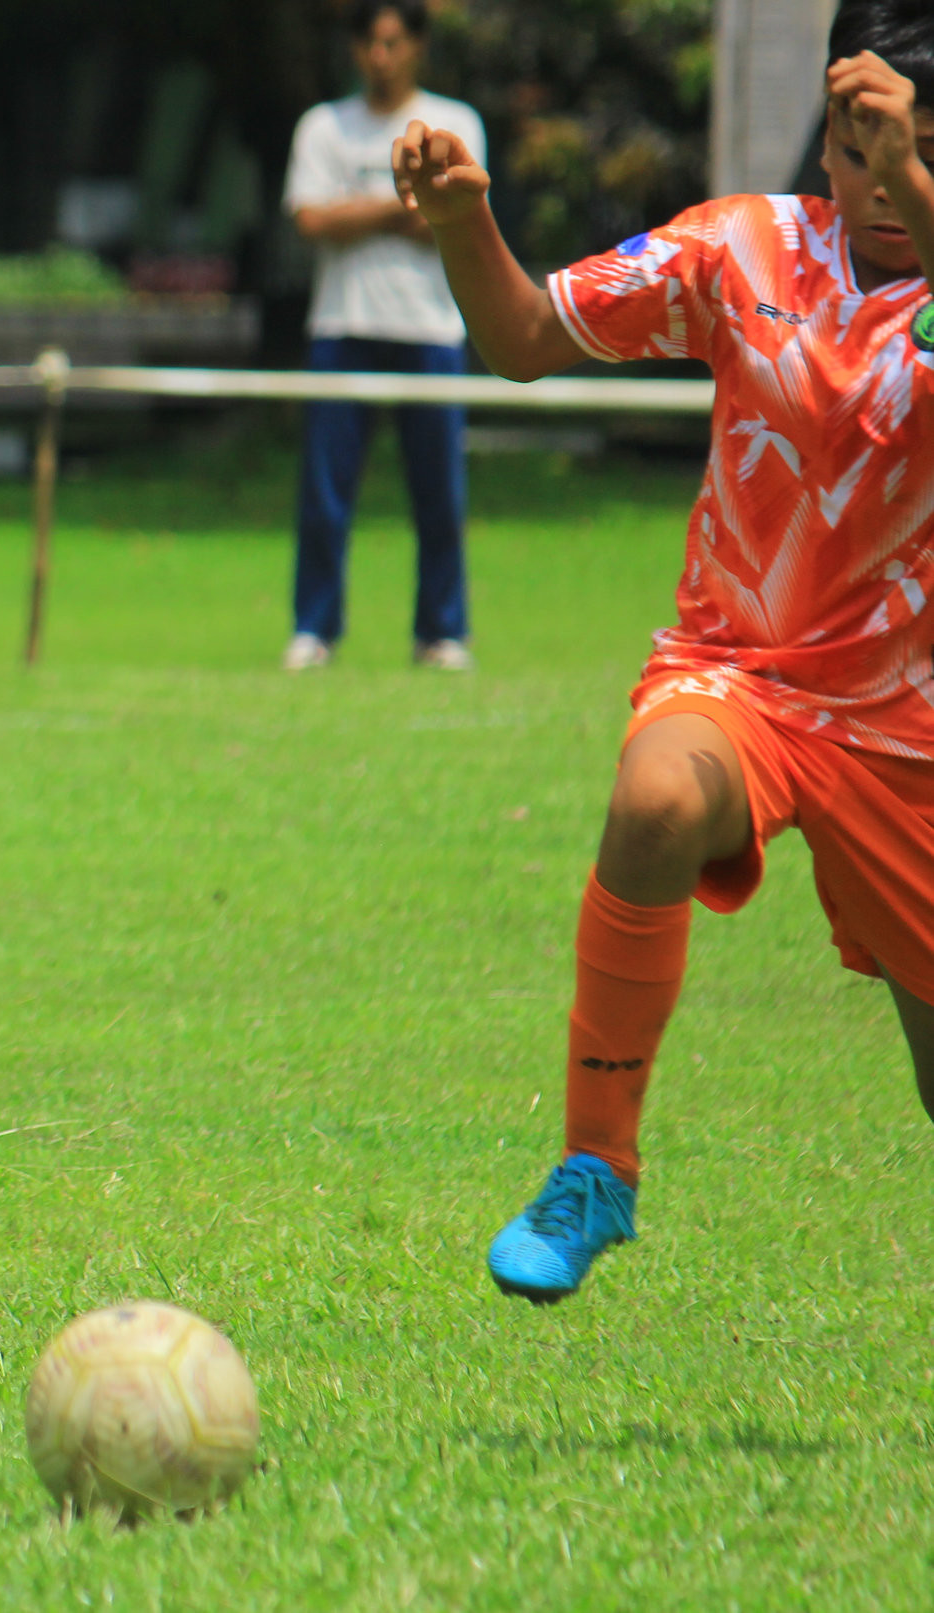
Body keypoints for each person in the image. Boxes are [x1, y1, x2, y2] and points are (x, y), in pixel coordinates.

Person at [395, 1, 934, 1302]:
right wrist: (464, 223)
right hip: (735, 676)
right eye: (847, 148)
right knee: (649, 800)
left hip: (907, 728)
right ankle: (595, 1168)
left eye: (899, 153)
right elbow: (521, 338)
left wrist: (914, 166)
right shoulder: (742, 247)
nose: (868, 181)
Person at [282, 0, 484, 673]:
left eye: (393, 42)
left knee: (439, 495)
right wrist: (402, 203)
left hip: (428, 330)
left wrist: (367, 213)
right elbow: (310, 219)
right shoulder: (322, 127)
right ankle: (314, 630)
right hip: (342, 328)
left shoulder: (454, 123)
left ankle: (441, 632)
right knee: (324, 495)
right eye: (370, 41)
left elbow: (457, 218)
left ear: (416, 47)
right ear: (353, 48)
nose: (380, 55)